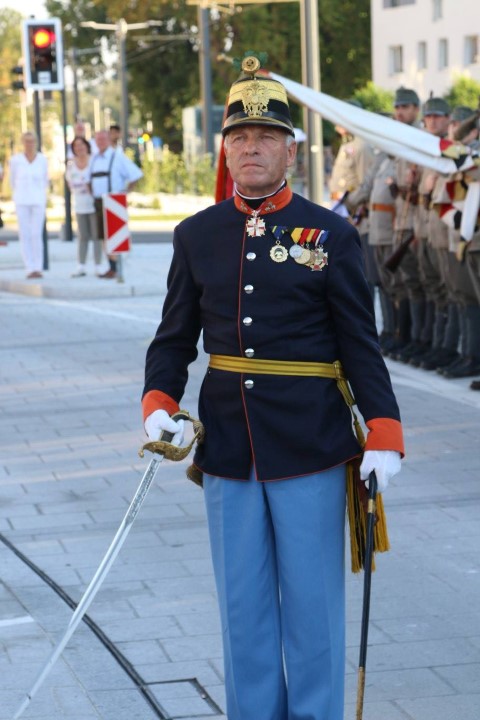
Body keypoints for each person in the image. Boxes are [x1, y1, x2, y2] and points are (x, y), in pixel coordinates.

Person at [141, 55, 404, 720]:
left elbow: (359, 343)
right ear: (225, 150)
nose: (251, 147)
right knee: (243, 609)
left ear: (291, 150)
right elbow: (174, 338)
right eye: (239, 137)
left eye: (265, 137)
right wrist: (159, 402)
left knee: (312, 611)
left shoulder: (331, 234)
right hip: (229, 448)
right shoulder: (196, 235)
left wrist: (384, 429)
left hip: (311, 444)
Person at [87, 129, 143, 279]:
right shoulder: (94, 159)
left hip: (114, 201)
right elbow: (87, 179)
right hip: (98, 202)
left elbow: (135, 175)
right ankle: (112, 267)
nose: (100, 142)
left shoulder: (117, 157)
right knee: (103, 236)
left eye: (103, 139)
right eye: (98, 140)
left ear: (108, 140)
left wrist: (125, 192)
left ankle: (117, 267)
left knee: (115, 237)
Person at [9, 131, 49, 279]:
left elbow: (45, 180)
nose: (29, 144)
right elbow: (12, 181)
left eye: (32, 141)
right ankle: (29, 267)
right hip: (21, 200)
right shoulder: (15, 160)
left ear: (35, 142)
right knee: (24, 234)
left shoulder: (42, 160)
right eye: (26, 141)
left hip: (38, 200)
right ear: (23, 143)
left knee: (36, 234)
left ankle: (38, 267)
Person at [66, 136, 103, 277]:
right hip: (80, 205)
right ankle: (81, 265)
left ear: (87, 146)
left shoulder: (94, 161)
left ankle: (98, 265)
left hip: (94, 204)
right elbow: (70, 184)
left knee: (96, 235)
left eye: (81, 145)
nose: (79, 148)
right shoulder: (71, 165)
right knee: (82, 236)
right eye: (76, 146)